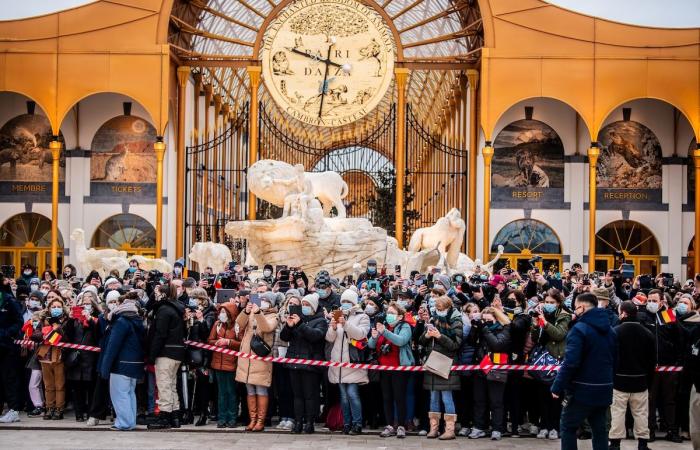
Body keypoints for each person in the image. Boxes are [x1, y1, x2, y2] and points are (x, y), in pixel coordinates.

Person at [551, 292, 617, 450]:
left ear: (582, 307)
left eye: (576, 308)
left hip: (581, 389)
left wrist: (557, 386)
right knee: (600, 430)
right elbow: (615, 360)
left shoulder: (579, 330)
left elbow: (571, 362)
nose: (575, 311)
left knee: (568, 426)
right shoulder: (611, 331)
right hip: (604, 388)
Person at [609, 301, 656, 450]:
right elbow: (652, 360)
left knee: (617, 413)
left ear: (623, 313)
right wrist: (648, 380)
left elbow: (610, 357)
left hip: (619, 380)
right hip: (640, 380)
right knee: (641, 414)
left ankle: (615, 444)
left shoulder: (615, 332)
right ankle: (643, 444)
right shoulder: (647, 333)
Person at [280, 293, 328, 434]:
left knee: (310, 395)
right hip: (294, 361)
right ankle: (298, 421)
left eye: (307, 305)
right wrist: (289, 326)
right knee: (297, 395)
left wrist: (300, 324)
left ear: (313, 306)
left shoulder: (321, 321)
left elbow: (315, 336)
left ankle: (309, 422)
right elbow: (284, 337)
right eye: (303, 305)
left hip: (310, 364)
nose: (304, 307)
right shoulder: (297, 319)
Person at [98, 293, 145, 431]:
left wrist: (105, 368)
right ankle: (130, 421)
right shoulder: (137, 321)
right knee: (130, 393)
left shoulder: (120, 322)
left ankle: (124, 423)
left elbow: (113, 346)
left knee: (120, 394)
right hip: (135, 364)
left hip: (120, 364)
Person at [326, 289, 370, 435]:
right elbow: (330, 339)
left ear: (353, 302)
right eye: (343, 302)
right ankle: (346, 423)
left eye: (348, 302)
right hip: (338, 364)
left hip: (352, 362)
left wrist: (345, 324)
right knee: (343, 397)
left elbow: (361, 335)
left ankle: (357, 423)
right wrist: (333, 327)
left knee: (352, 394)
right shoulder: (337, 314)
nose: (345, 304)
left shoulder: (362, 316)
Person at [368, 301, 414, 439]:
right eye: (388, 313)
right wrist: (375, 336)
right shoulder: (384, 327)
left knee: (399, 397)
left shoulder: (404, 326)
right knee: (387, 397)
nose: (389, 315)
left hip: (399, 368)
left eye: (392, 313)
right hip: (384, 368)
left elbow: (401, 341)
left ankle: (401, 425)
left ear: (400, 316)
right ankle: (389, 425)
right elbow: (370, 344)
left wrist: (385, 332)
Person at [420, 295, 463, 440]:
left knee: (446, 397)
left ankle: (449, 430)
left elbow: (455, 344)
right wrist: (427, 335)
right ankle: (434, 428)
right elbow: (421, 341)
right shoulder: (433, 319)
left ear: (447, 307)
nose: (438, 311)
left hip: (446, 362)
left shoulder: (456, 320)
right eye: (436, 308)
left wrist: (439, 336)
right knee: (433, 397)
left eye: (440, 309)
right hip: (432, 362)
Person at [530, 288, 570, 440]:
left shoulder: (564, 316)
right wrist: (535, 324)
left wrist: (545, 323)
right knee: (542, 396)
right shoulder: (541, 314)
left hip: (557, 359)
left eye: (552, 302)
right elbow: (535, 338)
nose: (548, 305)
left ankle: (554, 426)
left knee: (555, 396)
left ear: (559, 303)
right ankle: (544, 425)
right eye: (546, 302)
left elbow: (559, 334)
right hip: (542, 360)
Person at [236, 291, 280, 432]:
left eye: (265, 300)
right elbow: (238, 325)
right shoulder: (252, 313)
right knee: (249, 390)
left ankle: (261, 420)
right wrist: (246, 311)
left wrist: (258, 313)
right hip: (246, 358)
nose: (262, 301)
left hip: (261, 358)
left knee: (261, 388)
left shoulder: (274, 315)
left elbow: (267, 327)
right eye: (261, 299)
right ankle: (252, 419)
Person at [643, 289, 683, 442]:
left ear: (661, 302)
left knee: (669, 400)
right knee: (650, 400)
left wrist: (677, 361)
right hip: (650, 368)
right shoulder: (645, 316)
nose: (651, 303)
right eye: (649, 300)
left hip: (669, 367)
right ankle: (650, 432)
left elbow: (680, 337)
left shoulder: (668, 315)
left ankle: (672, 431)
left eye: (654, 300)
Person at [147, 282, 186, 430]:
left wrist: (152, 354)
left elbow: (160, 334)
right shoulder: (177, 308)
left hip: (165, 352)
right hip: (176, 351)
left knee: (164, 385)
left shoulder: (164, 310)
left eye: (158, 292)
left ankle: (165, 415)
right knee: (171, 385)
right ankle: (175, 415)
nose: (156, 294)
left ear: (163, 294)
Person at [469, 306, 511, 441]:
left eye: (489, 320)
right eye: (484, 320)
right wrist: (475, 328)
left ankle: (497, 429)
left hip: (496, 368)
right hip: (480, 366)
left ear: (496, 319)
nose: (486, 322)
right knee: (479, 400)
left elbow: (497, 344)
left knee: (496, 401)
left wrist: (485, 329)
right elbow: (471, 342)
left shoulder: (505, 328)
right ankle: (479, 427)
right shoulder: (481, 328)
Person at [64, 291, 101, 422]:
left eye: (89, 304)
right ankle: (79, 413)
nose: (86, 306)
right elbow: (67, 336)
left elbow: (98, 336)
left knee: (91, 388)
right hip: (76, 359)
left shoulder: (98, 318)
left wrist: (90, 320)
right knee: (76, 388)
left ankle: (91, 413)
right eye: (84, 303)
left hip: (91, 358)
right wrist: (70, 319)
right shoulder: (75, 319)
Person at [208, 301, 241, 428]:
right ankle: (222, 418)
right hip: (218, 364)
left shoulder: (237, 326)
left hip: (232, 364)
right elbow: (210, 340)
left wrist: (228, 342)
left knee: (231, 392)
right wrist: (217, 342)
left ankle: (232, 418)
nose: (221, 314)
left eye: (224, 312)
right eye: (220, 312)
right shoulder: (217, 324)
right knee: (221, 393)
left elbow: (241, 343)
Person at [0, 276, 24, 423]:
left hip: (6, 347)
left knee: (9, 379)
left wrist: (5, 333)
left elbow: (19, 321)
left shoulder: (8, 300)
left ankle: (14, 410)